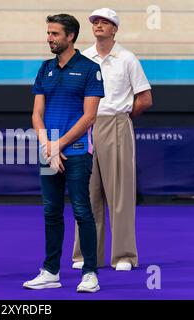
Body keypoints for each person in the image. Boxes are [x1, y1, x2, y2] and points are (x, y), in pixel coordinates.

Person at [23, 14, 104, 293]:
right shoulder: (45, 68)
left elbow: (89, 117)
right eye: (48, 33)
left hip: (78, 152)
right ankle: (50, 272)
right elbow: (36, 113)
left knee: (82, 210)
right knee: (51, 212)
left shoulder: (90, 69)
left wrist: (59, 146)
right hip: (49, 150)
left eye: (55, 34)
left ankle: (90, 273)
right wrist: (48, 145)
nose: (49, 38)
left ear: (70, 37)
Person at [72, 8, 152, 271]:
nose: (98, 25)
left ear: (114, 29)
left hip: (116, 123)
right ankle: (84, 254)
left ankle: (124, 255)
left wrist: (122, 116)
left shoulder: (127, 58)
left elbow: (145, 99)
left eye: (104, 22)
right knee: (87, 193)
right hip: (86, 126)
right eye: (95, 21)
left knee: (120, 195)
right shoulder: (82, 58)